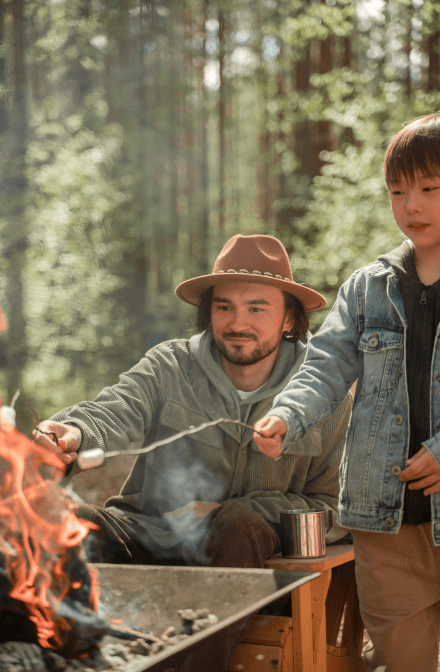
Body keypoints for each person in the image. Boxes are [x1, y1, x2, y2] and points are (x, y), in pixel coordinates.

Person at [34, 233, 352, 672]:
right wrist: (73, 433)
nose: (238, 322)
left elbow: (335, 506)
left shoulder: (322, 392)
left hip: (254, 571)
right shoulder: (169, 366)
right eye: (225, 307)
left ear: (288, 319)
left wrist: (235, 510)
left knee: (239, 522)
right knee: (64, 520)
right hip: (149, 539)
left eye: (256, 307)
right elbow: (117, 408)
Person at [254, 112, 440, 672]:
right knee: (404, 659)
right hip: (384, 524)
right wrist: (287, 413)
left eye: (430, 188)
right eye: (397, 191)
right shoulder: (367, 286)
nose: (412, 205)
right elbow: (326, 364)